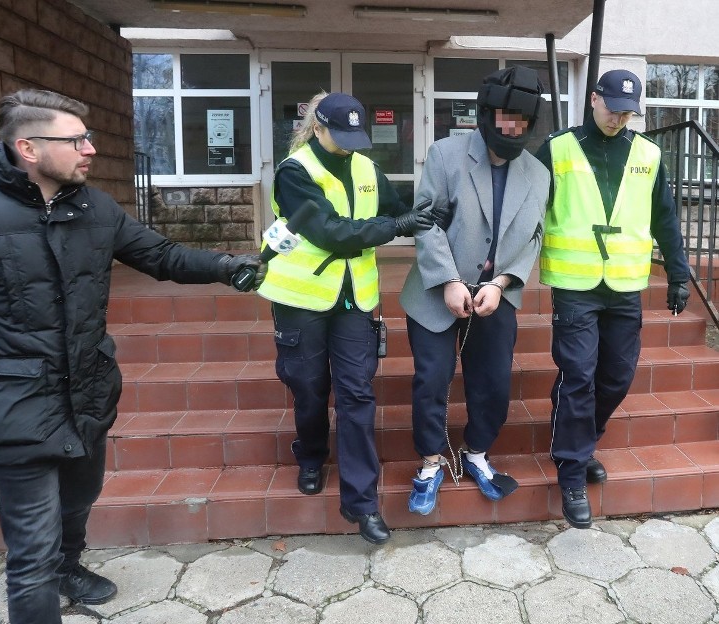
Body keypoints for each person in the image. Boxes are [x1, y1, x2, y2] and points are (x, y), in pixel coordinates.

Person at [0, 89, 265, 624]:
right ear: (29, 148)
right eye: (76, 139)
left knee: (78, 500)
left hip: (87, 392)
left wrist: (228, 266)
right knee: (30, 552)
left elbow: (159, 256)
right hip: (14, 403)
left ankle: (71, 566)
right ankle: (48, 579)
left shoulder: (96, 208)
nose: (89, 149)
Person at [257, 91, 442, 544]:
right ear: (316, 128)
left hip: (353, 301)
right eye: (340, 136)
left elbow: (400, 209)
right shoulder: (294, 173)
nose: (350, 145)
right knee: (309, 387)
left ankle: (362, 505)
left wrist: (433, 213)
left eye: (355, 136)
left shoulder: (365, 168)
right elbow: (331, 233)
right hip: (300, 298)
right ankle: (312, 455)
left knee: (357, 393)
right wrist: (396, 227)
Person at [535, 69, 690, 528]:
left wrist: (678, 275)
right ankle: (571, 471)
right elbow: (530, 209)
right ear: (594, 99)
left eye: (629, 113)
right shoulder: (558, 148)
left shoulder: (647, 154)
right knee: (578, 375)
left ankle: (580, 442)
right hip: (576, 286)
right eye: (614, 109)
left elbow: (665, 217)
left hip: (625, 287)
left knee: (617, 377)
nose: (620, 119)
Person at [399, 66, 550, 515]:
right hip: (434, 292)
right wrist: (447, 280)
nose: (512, 128)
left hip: (496, 296)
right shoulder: (446, 155)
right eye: (506, 117)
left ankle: (477, 452)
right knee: (431, 380)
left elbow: (536, 235)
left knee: (492, 383)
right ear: (488, 113)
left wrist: (502, 284)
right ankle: (430, 461)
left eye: (521, 121)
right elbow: (425, 221)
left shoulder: (539, 174)